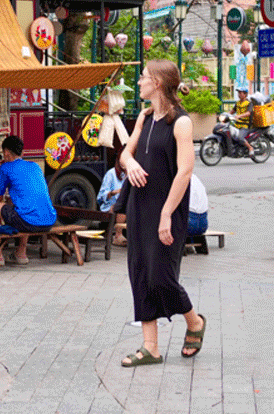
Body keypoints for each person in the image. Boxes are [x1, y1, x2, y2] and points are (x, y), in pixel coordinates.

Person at [119, 59, 206, 367]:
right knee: (140, 274)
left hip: (166, 208)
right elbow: (124, 154)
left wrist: (167, 214)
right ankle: (150, 348)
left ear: (156, 82)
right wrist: (129, 163)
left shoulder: (180, 122)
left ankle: (194, 321)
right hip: (139, 206)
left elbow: (185, 171)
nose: (139, 82)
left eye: (143, 78)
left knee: (162, 277)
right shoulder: (145, 118)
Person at [0, 135, 57, 265]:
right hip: (49, 220)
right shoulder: (35, 166)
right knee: (24, 208)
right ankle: (21, 254)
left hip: (28, 222)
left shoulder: (5, 168)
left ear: (6, 153)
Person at [97, 155, 128, 247]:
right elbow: (101, 196)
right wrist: (114, 192)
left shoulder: (130, 173)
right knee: (121, 206)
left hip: (125, 203)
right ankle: (118, 235)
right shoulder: (111, 173)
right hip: (110, 205)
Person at [229, 87, 254, 156]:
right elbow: (232, 111)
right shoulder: (238, 103)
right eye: (238, 93)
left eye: (240, 93)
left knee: (240, 138)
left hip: (245, 125)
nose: (239, 94)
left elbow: (248, 113)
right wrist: (223, 115)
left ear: (245, 94)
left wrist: (239, 116)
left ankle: (250, 148)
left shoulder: (249, 103)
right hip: (237, 124)